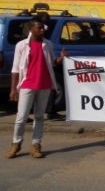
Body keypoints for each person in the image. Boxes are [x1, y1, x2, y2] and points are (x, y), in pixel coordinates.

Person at [5, 19, 67, 159]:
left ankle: (36, 145)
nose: (42, 30)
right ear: (31, 29)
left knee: (39, 117)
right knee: (21, 117)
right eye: (39, 28)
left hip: (44, 84)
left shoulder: (48, 44)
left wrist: (61, 58)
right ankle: (16, 143)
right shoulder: (21, 45)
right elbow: (15, 69)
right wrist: (13, 89)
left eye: (43, 28)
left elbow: (52, 62)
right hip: (27, 84)